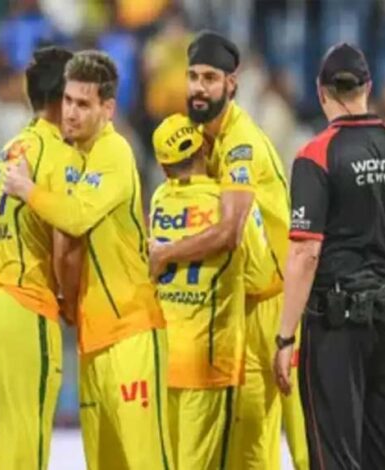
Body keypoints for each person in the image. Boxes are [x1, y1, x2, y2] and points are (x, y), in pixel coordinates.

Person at [3, 50, 173, 470]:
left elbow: (76, 218)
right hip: (93, 339)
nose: (71, 112)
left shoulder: (114, 151)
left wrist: (27, 189)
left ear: (107, 109)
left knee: (147, 462)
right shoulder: (75, 157)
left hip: (132, 332)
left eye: (83, 104)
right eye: (68, 100)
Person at [147, 30, 306, 469]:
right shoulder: (200, 137)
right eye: (193, 76)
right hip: (241, 305)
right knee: (247, 445)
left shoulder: (240, 143)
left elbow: (231, 231)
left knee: (300, 442)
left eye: (210, 78)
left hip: (277, 304)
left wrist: (165, 253)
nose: (199, 88)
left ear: (231, 84)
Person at [272, 43, 385, 470]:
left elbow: (305, 252)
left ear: (321, 91)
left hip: (336, 327)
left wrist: (285, 337)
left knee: (336, 456)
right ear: (369, 88)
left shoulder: (316, 156)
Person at [0, 45, 80, 470]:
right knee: (23, 443)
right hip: (22, 305)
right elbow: (64, 240)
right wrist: (70, 300)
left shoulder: (10, 149)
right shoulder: (60, 155)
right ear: (65, 98)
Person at [149, 113, 274, 469]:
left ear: (163, 167)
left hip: (164, 359)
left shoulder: (159, 200)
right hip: (211, 362)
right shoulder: (230, 204)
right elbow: (260, 275)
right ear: (205, 148)